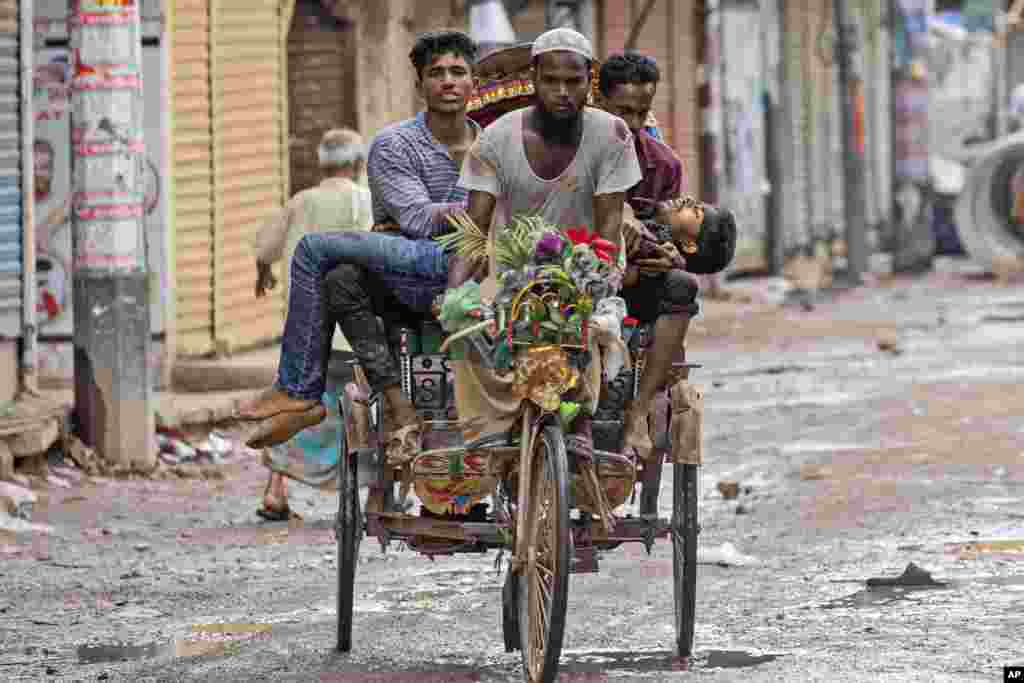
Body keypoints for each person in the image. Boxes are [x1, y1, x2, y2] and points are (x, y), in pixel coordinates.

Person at [235, 31, 480, 467]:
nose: (448, 81)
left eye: (458, 72)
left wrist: (481, 213)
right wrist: (482, 209)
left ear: (473, 82)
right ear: (419, 84)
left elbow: (426, 219)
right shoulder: (395, 144)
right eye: (436, 73)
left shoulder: (491, 144)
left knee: (312, 249)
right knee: (336, 277)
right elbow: (419, 221)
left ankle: (297, 390)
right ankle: (365, 399)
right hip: (415, 267)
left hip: (472, 268)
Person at [448, 28, 645, 459]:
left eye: (573, 82)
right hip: (515, 264)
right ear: (534, 77)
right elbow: (474, 228)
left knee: (584, 322)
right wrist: (454, 290)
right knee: (472, 330)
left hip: (587, 258)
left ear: (589, 80)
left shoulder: (611, 134)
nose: (562, 92)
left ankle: (582, 422)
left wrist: (596, 276)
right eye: (551, 80)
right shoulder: (495, 139)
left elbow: (609, 219)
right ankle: (491, 433)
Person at [596, 52, 735, 459]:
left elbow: (668, 229)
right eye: (624, 112)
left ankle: (638, 410)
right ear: (599, 102)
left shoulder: (663, 165)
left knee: (681, 285)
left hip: (627, 278)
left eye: (643, 112)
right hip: (571, 261)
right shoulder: (574, 144)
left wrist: (668, 258)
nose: (636, 124)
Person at [250, 128, 373, 520]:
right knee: (362, 409)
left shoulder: (301, 202)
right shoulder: (366, 200)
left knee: (294, 405)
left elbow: (265, 246)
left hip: (306, 332)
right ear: (358, 165)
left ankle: (275, 490)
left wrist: (263, 270)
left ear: (323, 165)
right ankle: (372, 495)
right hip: (354, 331)